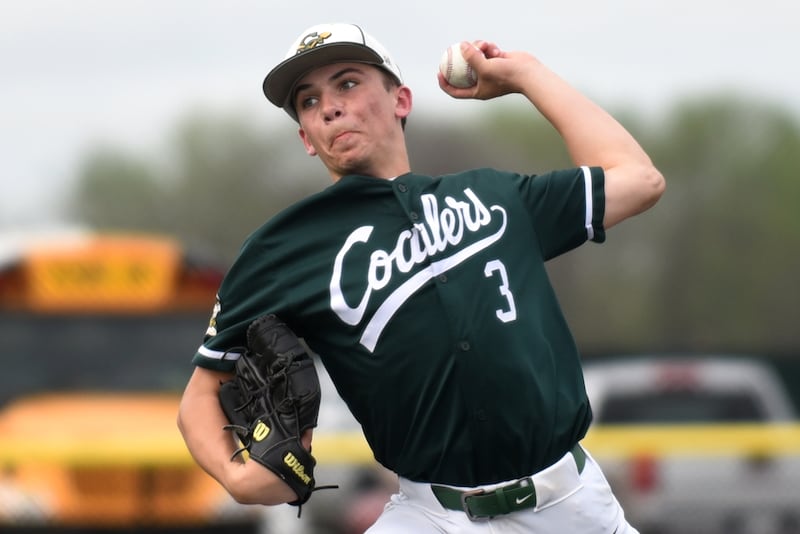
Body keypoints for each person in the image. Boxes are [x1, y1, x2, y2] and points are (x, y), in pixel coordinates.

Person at [177, 21, 665, 533]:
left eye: (347, 83)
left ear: (401, 101)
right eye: (308, 101)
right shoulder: (283, 247)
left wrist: (526, 74)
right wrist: (239, 476)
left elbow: (638, 179)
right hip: (431, 514)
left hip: (572, 506)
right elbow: (200, 396)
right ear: (306, 136)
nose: (329, 106)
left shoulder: (494, 197)